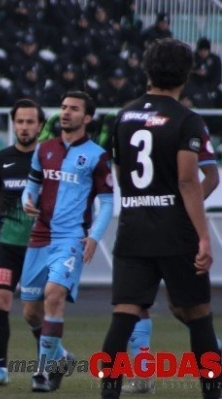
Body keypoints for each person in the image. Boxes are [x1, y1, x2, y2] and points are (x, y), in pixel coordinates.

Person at [99, 38, 222, 399]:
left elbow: (121, 173)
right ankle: (213, 392)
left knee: (123, 317)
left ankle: (109, 394)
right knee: (199, 316)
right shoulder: (187, 120)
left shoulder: (123, 116)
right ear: (186, 75)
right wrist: (202, 236)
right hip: (175, 230)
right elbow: (188, 180)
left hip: (133, 227)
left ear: (147, 70)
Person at [21, 91, 114, 392]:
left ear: (87, 118)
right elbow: (32, 184)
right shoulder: (44, 149)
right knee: (30, 313)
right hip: (39, 237)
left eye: (74, 109)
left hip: (71, 238)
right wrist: (27, 199)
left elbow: (108, 202)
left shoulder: (98, 156)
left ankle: (42, 372)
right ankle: (61, 358)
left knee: (53, 295)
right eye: (63, 108)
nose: (66, 113)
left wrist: (94, 237)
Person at [122, 117, 221, 395]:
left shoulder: (189, 124)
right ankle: (143, 377)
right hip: (143, 225)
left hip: (177, 231)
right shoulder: (134, 121)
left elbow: (211, 176)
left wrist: (183, 211)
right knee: (133, 301)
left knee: (182, 307)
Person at [0, 99, 44, 386]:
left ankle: (45, 367)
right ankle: (0, 369)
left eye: (30, 122)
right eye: (20, 121)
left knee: (35, 312)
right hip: (7, 246)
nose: (24, 127)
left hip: (39, 248)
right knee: (1, 299)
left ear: (40, 126)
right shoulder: (3, 158)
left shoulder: (49, 160)